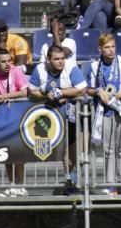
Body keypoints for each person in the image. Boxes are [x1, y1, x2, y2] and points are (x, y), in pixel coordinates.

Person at [29, 45, 87, 195]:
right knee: (62, 149)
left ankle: (74, 181)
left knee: (71, 148)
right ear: (48, 59)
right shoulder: (40, 69)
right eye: (56, 59)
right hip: (50, 116)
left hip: (70, 114)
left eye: (62, 58)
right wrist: (46, 95)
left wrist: (61, 92)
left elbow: (82, 88)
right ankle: (69, 178)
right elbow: (31, 90)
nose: (61, 61)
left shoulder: (71, 67)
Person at [86, 33, 121, 196]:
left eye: (113, 46)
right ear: (100, 49)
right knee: (108, 149)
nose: (111, 50)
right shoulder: (94, 66)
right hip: (104, 111)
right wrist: (99, 91)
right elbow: (88, 89)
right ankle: (110, 184)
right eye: (107, 47)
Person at [0, 49, 31, 198]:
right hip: (1, 118)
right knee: (6, 153)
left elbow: (25, 92)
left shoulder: (16, 71)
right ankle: (11, 184)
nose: (7, 64)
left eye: (9, 61)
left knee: (19, 153)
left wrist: (4, 96)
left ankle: (21, 184)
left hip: (17, 116)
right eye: (3, 62)